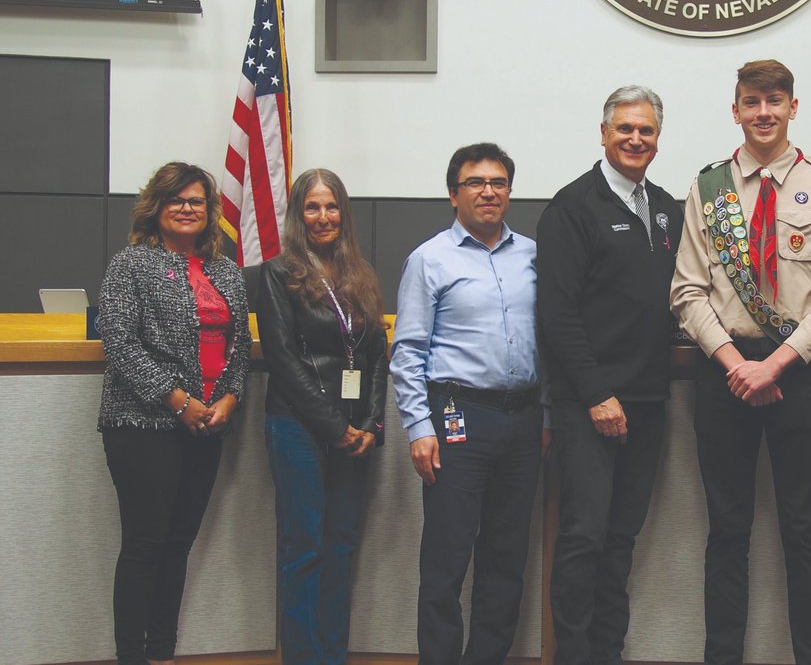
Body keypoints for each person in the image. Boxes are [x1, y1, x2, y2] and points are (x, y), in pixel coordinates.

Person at [670, 59, 811, 665]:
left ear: (793, 107)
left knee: (804, 531)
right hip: (724, 369)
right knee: (727, 530)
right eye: (752, 102)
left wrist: (773, 365)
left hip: (797, 371)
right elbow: (687, 292)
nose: (764, 113)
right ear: (736, 111)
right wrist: (736, 364)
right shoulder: (708, 189)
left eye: (775, 101)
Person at [536, 85, 682, 665]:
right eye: (625, 128)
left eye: (646, 130)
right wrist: (597, 394)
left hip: (647, 402)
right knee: (584, 537)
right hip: (589, 405)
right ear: (603, 134)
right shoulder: (572, 207)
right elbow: (557, 315)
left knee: (621, 540)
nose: (635, 139)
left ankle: (607, 654)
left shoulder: (667, 208)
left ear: (658, 139)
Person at [390, 142, 549, 665]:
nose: (488, 191)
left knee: (506, 559)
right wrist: (419, 427)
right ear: (453, 194)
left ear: (509, 191)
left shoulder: (534, 256)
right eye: (475, 183)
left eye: (498, 182)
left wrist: (546, 415)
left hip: (523, 420)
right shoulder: (430, 259)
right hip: (457, 419)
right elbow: (408, 352)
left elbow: (551, 342)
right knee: (446, 559)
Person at [97, 161, 251, 665]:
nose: (187, 208)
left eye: (196, 201)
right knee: (145, 543)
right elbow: (120, 343)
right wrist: (178, 400)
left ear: (210, 211)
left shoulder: (227, 272)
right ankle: (131, 656)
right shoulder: (131, 265)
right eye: (176, 199)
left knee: (179, 543)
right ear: (156, 207)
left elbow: (239, 349)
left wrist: (230, 398)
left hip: (207, 425)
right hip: (143, 424)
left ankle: (162, 652)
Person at [257, 168, 389, 663]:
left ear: (343, 213)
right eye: (312, 207)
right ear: (298, 214)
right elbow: (282, 360)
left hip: (355, 432)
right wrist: (335, 429)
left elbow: (377, 356)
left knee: (341, 547)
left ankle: (332, 654)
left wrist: (371, 426)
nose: (323, 216)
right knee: (304, 548)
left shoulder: (361, 274)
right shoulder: (279, 273)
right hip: (298, 427)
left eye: (331, 206)